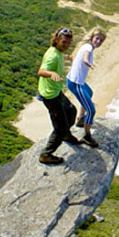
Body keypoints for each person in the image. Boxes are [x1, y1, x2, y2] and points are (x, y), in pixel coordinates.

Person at [37, 27, 80, 164]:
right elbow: (41, 71)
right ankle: (46, 154)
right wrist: (51, 73)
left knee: (71, 110)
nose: (66, 45)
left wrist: (68, 57)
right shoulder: (52, 55)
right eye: (64, 42)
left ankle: (67, 135)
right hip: (50, 97)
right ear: (56, 40)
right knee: (59, 128)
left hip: (56, 91)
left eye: (68, 43)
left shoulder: (57, 52)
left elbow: (60, 56)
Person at [66, 27, 106, 148]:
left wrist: (72, 67)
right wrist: (86, 61)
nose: (98, 42)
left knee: (89, 92)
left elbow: (75, 57)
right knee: (92, 110)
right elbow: (85, 56)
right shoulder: (88, 48)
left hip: (77, 81)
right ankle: (87, 136)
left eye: (101, 40)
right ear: (92, 37)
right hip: (76, 83)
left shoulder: (85, 46)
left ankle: (80, 119)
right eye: (97, 38)